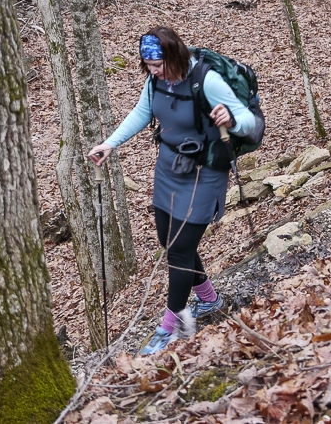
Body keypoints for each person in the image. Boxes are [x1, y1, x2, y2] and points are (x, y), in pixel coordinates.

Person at [89, 26, 255, 356]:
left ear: (175, 56)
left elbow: (248, 122)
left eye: (159, 65)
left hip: (204, 171)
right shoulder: (155, 82)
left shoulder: (205, 80)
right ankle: (209, 299)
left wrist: (232, 121)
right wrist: (110, 144)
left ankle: (171, 326)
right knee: (169, 241)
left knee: (179, 250)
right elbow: (142, 113)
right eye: (149, 66)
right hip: (169, 167)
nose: (154, 72)